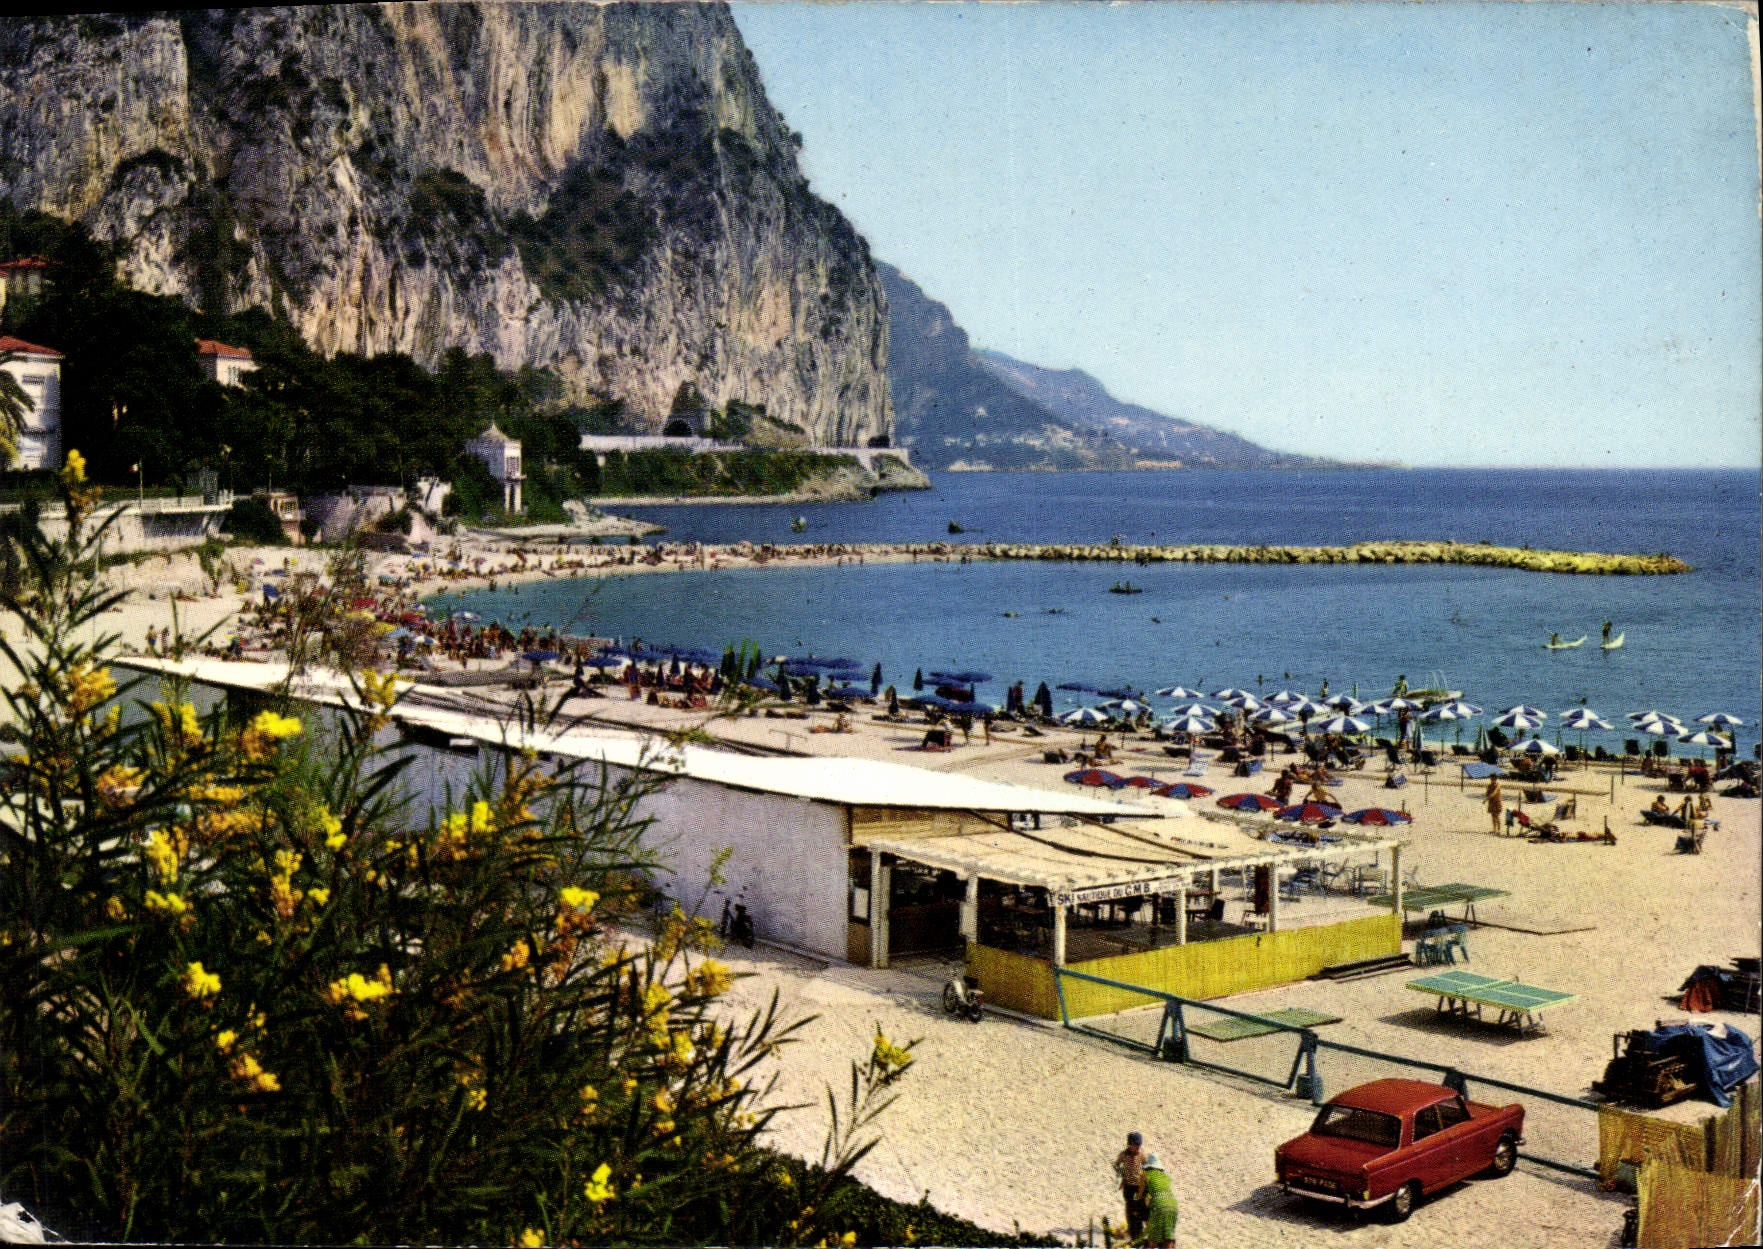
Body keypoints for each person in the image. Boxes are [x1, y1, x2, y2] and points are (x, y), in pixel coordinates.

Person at [1113, 1132, 1147, 1239]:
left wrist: (1144, 1177)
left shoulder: (1141, 1154)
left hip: (1139, 1186)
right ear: (1129, 1144)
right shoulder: (1123, 1155)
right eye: (1134, 1145)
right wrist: (1122, 1175)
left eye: (1138, 1145)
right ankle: (1131, 1228)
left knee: (1140, 1207)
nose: (1136, 1148)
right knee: (1129, 1207)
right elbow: (1116, 1165)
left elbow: (1146, 1165)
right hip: (1128, 1185)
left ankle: (1139, 1229)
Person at [1141, 1153, 1179, 1248]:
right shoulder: (1166, 1177)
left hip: (1158, 1206)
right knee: (1168, 1237)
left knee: (1153, 1240)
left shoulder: (1145, 1174)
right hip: (1173, 1206)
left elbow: (1140, 1195)